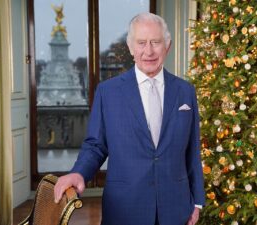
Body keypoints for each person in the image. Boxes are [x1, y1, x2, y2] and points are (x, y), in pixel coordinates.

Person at [54, 12, 205, 225]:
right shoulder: (108, 92)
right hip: (124, 208)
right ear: (131, 48)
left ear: (167, 46)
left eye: (156, 42)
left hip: (176, 207)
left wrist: (197, 201)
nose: (149, 51)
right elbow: (95, 146)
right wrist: (78, 173)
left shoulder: (185, 91)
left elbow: (192, 150)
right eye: (141, 43)